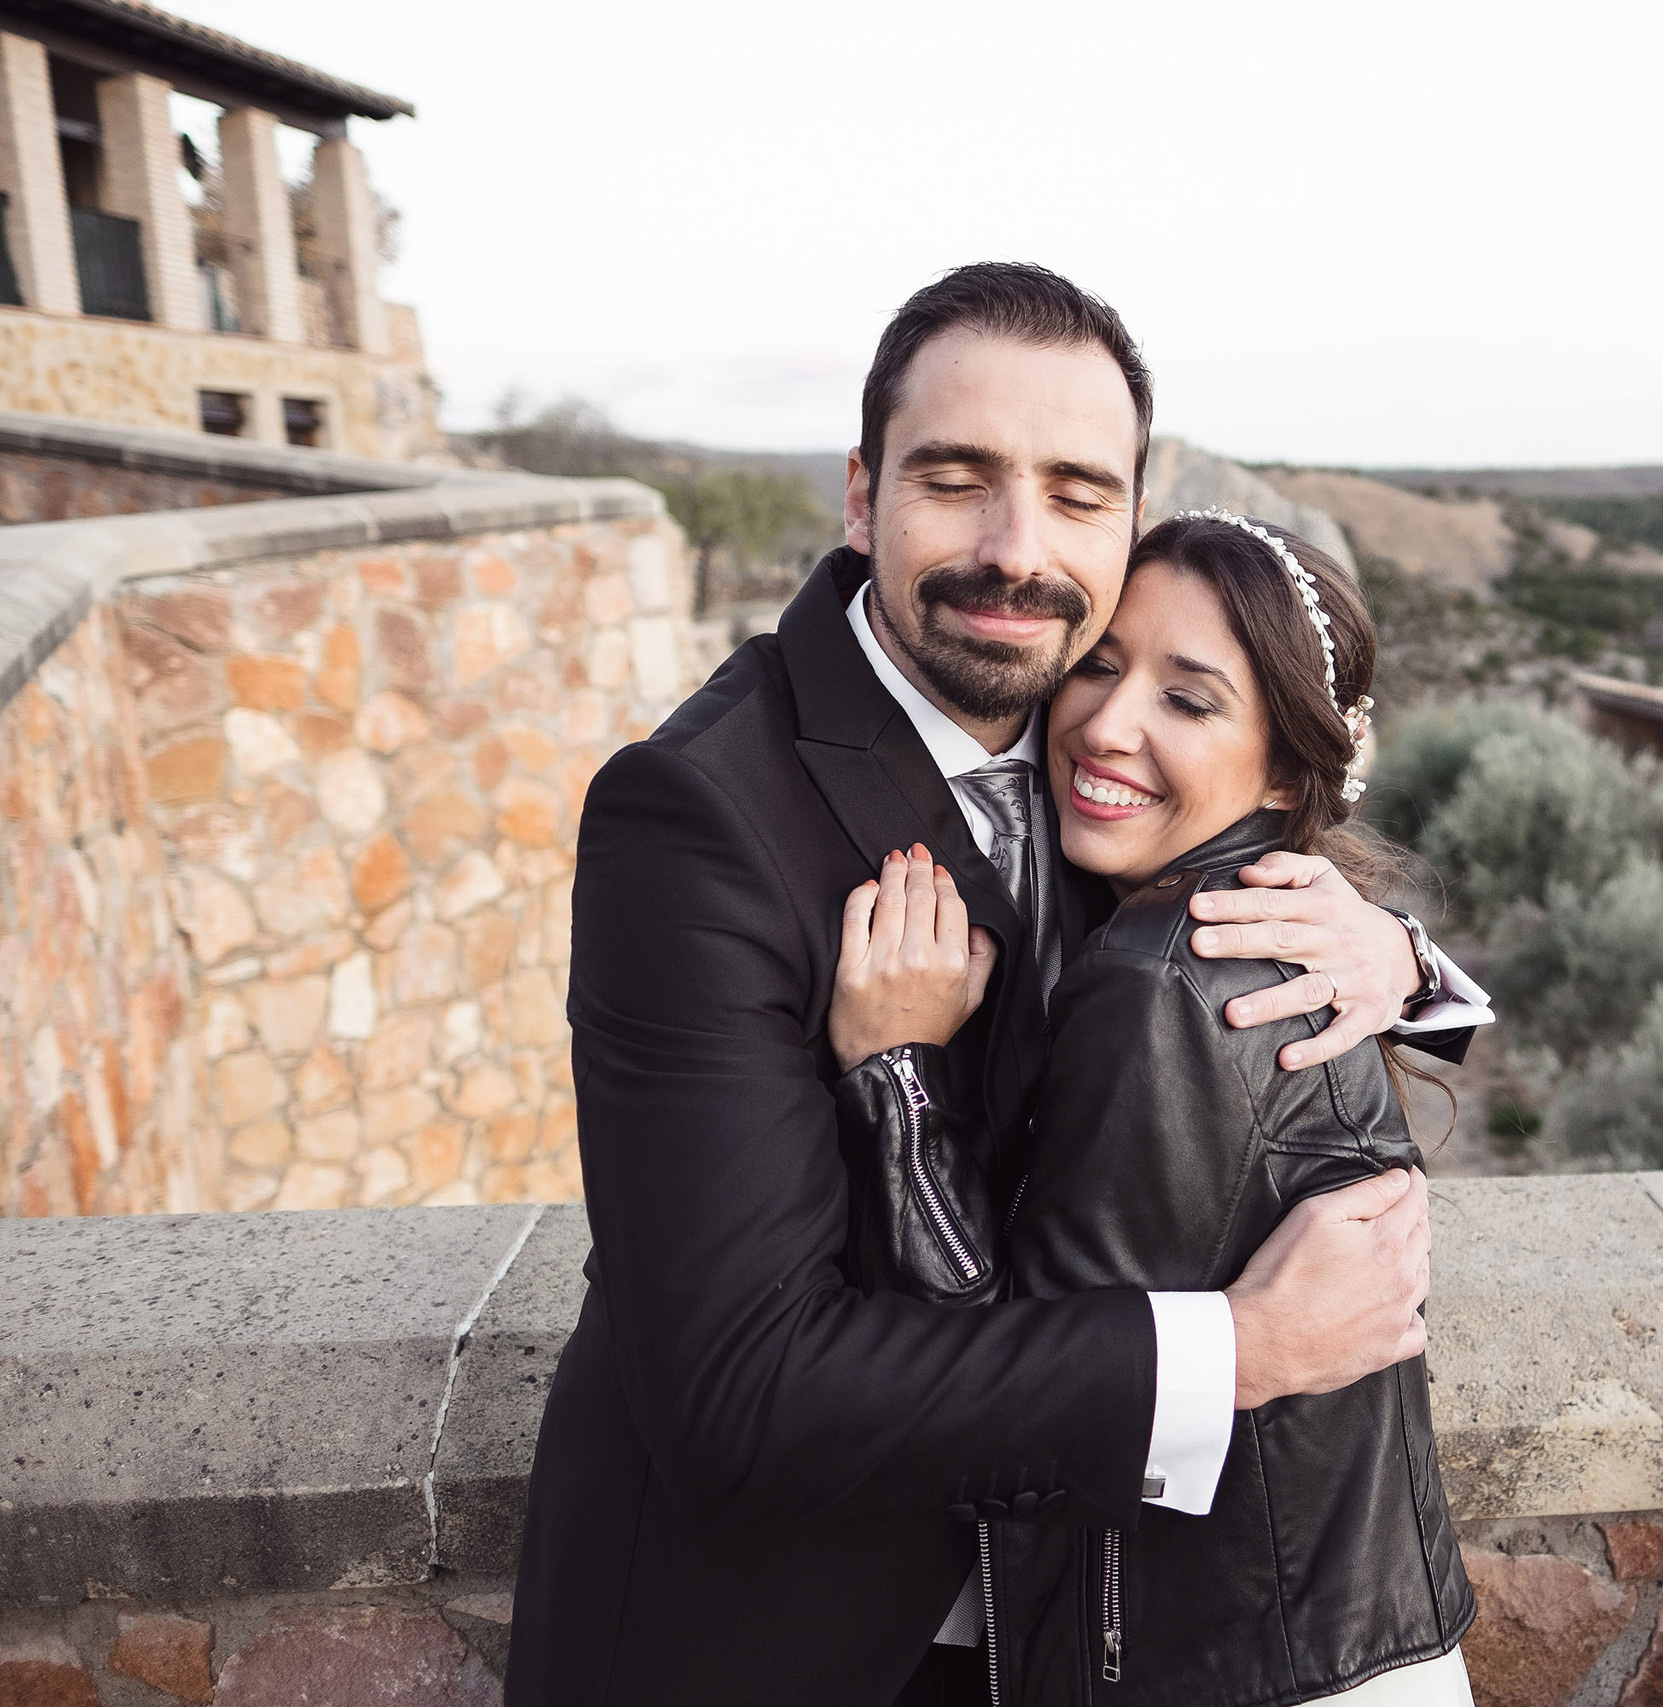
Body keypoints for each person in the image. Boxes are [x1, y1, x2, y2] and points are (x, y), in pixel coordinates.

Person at [507, 264, 1488, 1707]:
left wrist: (1401, 958)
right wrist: (1242, 1346)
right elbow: (740, 1392)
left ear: (1129, 516)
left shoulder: (1074, 717)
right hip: (787, 1642)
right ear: (864, 494)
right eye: (957, 478)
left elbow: (1209, 842)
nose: (1016, 548)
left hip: (1060, 1627)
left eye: (1078, 491)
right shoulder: (696, 815)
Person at [828, 511, 1477, 1705]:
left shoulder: (1161, 977)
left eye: (1188, 699)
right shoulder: (1252, 925)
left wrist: (896, 1074)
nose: (1108, 726)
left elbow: (1015, 1389)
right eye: (1101, 666)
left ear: (1285, 767)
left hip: (1222, 1668)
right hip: (1341, 1646)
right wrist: (1411, 961)